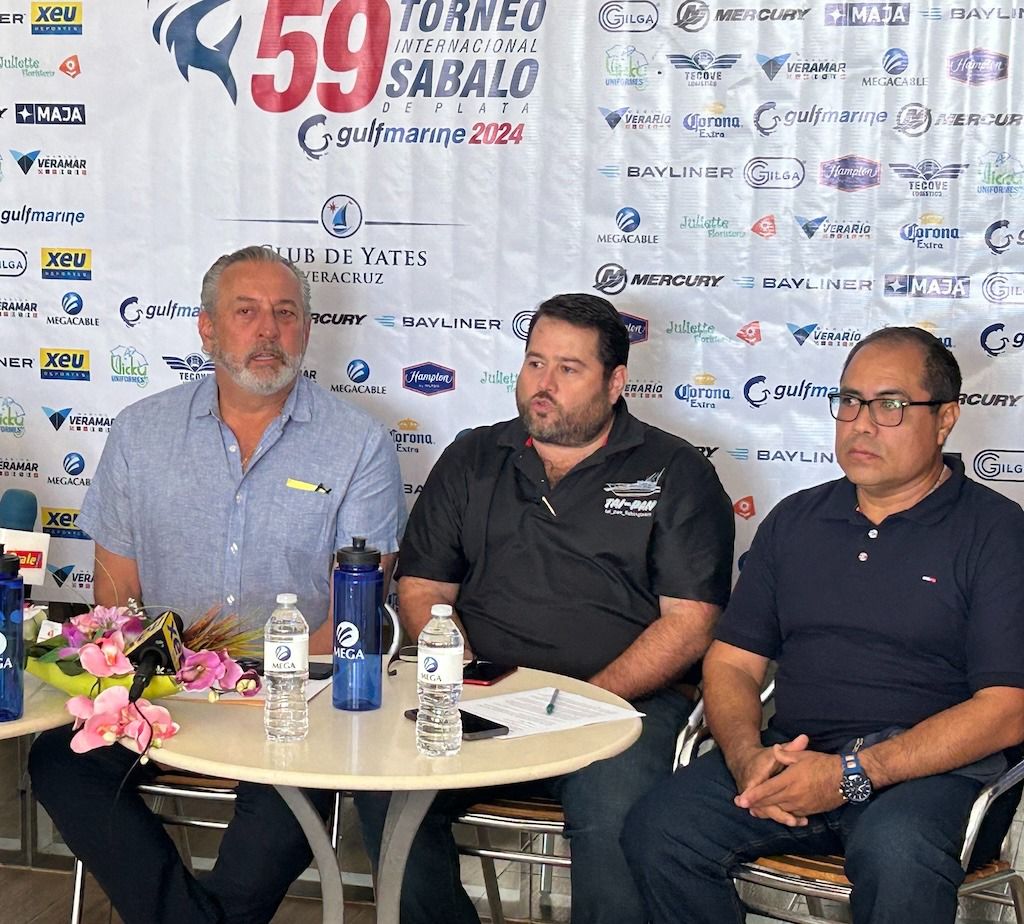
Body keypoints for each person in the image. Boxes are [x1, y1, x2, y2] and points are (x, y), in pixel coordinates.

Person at [29, 245, 404, 924]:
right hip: (163, 692)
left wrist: (268, 698)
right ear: (206, 328)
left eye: (285, 314)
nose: (268, 331)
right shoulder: (141, 432)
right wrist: (160, 690)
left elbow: (354, 612)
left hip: (294, 704)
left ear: (306, 329)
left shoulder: (359, 444)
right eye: (246, 312)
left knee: (289, 802)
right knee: (59, 762)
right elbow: (115, 596)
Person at [623, 326, 1024, 924]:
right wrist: (746, 755)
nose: (861, 424)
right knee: (660, 830)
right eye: (850, 401)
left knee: (897, 853)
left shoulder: (996, 533)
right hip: (797, 753)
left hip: (933, 776)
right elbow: (732, 661)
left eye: (890, 405)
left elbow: (1007, 708)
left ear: (945, 420)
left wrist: (853, 774)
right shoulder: (796, 521)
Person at [356, 293, 735, 924]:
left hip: (623, 704)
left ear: (616, 382)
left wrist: (584, 702)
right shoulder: (474, 456)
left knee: (615, 813)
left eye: (568, 368)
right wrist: (466, 676)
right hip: (480, 693)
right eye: (535, 363)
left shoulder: (676, 471)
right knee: (384, 787)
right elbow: (422, 589)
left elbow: (691, 622)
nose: (543, 384)